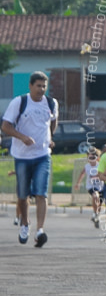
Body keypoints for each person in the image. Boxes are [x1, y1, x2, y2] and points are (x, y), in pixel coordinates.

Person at [2, 71, 59, 247]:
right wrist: (22, 137)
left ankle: (40, 230)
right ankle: (25, 224)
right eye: (38, 86)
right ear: (30, 85)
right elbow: (5, 126)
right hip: (22, 156)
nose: (42, 89)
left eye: (44, 86)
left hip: (42, 155)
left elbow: (53, 121)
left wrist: (50, 138)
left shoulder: (51, 103)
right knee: (22, 195)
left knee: (41, 193)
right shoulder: (19, 102)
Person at [73, 147, 104, 228]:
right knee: (95, 196)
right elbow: (82, 174)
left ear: (97, 158)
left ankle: (96, 216)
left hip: (100, 186)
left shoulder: (100, 165)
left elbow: (105, 174)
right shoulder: (87, 166)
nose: (91, 160)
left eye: (93, 158)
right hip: (91, 186)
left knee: (99, 204)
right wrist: (78, 183)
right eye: (89, 158)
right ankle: (95, 213)